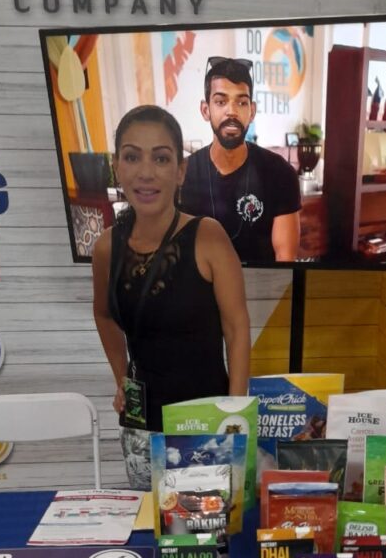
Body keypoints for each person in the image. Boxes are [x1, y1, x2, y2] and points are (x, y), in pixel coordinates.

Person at [92, 104, 251, 489]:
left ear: (180, 171)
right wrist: (121, 380)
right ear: (116, 167)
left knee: (209, 525)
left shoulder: (208, 236)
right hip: (141, 428)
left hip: (206, 426)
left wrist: (234, 415)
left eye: (161, 158)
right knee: (150, 521)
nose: (146, 172)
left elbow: (237, 328)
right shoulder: (106, 247)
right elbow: (104, 315)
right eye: (132, 157)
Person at [179, 57, 301, 263]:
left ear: (251, 111)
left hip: (261, 283)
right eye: (221, 101)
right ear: (205, 110)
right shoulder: (182, 175)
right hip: (202, 284)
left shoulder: (279, 174)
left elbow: (285, 259)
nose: (232, 111)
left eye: (241, 102)